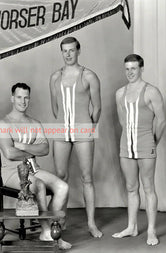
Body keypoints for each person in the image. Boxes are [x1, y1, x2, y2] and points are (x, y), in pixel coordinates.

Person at [0, 83, 72, 250]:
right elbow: (9, 153)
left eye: (26, 97)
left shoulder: (34, 123)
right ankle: (46, 231)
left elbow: (45, 149)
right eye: (19, 97)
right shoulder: (3, 124)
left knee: (63, 187)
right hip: (11, 173)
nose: (23, 101)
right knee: (38, 184)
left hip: (33, 169)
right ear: (12, 98)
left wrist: (22, 147)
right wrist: (31, 152)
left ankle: (50, 225)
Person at [49, 37, 102, 237]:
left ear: (79, 51)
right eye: (65, 51)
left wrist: (88, 127)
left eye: (72, 50)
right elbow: (55, 108)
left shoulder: (89, 76)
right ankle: (61, 220)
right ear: (61, 52)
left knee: (87, 177)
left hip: (83, 130)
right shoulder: (55, 77)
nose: (68, 54)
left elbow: (97, 108)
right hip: (61, 131)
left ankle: (91, 223)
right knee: (61, 177)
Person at [112, 54, 166, 246]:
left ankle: (151, 230)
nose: (130, 72)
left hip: (146, 144)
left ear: (141, 68)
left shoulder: (151, 92)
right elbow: (122, 121)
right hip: (126, 146)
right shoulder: (120, 93)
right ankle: (131, 227)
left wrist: (153, 142)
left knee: (149, 188)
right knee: (131, 187)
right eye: (127, 69)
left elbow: (161, 121)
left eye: (133, 68)